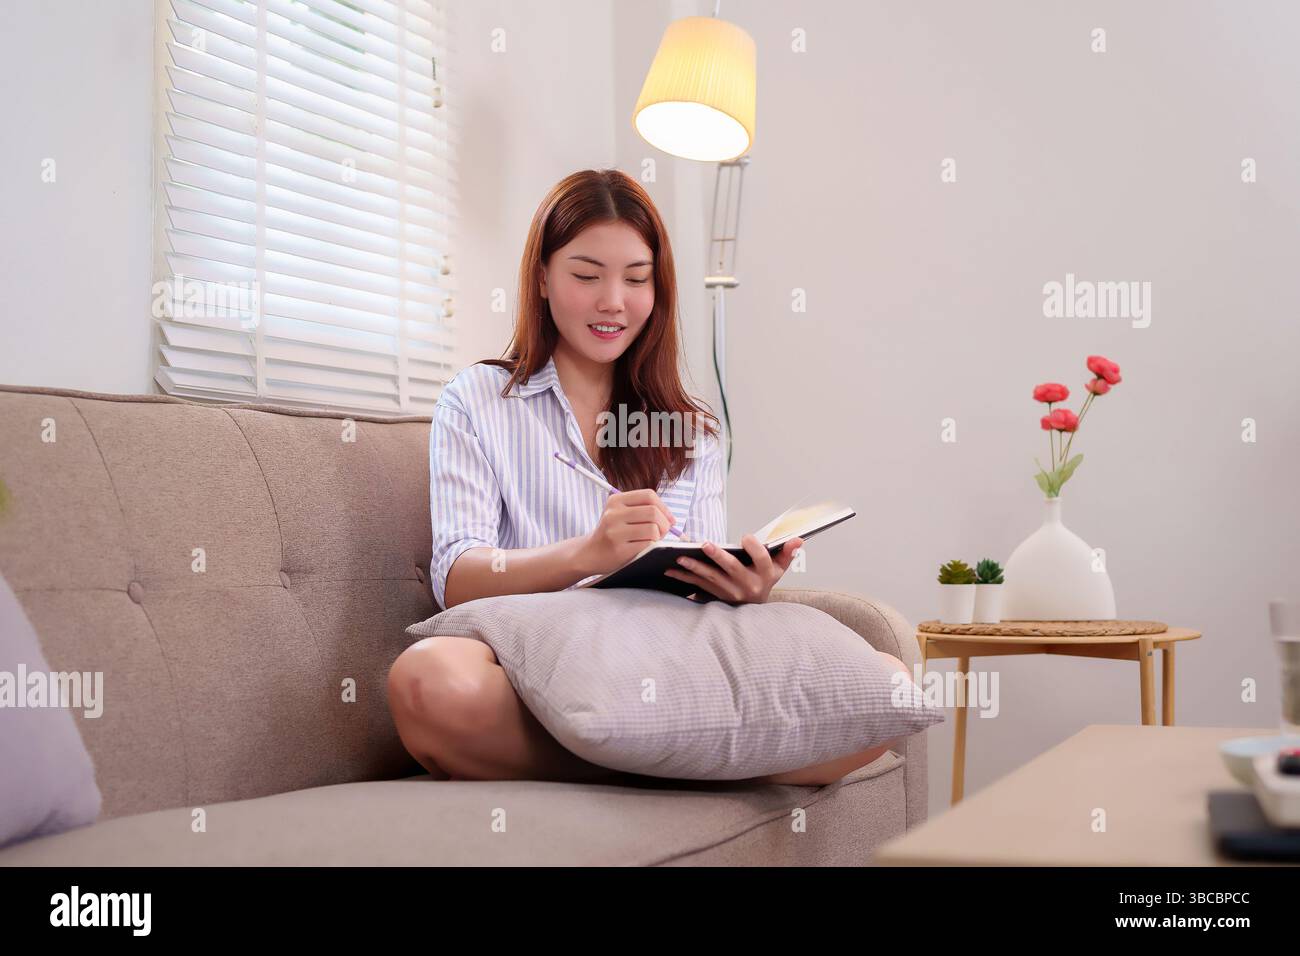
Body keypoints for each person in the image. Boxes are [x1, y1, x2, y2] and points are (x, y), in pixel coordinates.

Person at [387, 169, 911, 785]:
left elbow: (695, 609)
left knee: (892, 682)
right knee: (428, 679)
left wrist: (738, 588)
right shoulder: (477, 401)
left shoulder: (691, 433)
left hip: (659, 666)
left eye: (637, 279)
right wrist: (587, 554)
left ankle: (634, 757)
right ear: (542, 279)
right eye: (586, 275)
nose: (614, 301)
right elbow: (455, 579)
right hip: (533, 662)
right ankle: (683, 769)